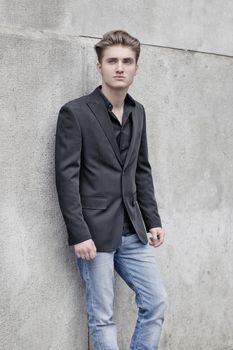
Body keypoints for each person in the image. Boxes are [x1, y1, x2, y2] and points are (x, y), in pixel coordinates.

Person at [55, 30, 167, 350]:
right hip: (94, 232)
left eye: (127, 61)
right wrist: (79, 233)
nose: (120, 67)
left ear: (136, 68)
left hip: (133, 229)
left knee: (156, 302)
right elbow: (66, 177)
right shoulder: (75, 112)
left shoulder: (138, 112)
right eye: (112, 61)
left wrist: (153, 219)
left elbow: (141, 170)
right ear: (99, 67)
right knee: (102, 315)